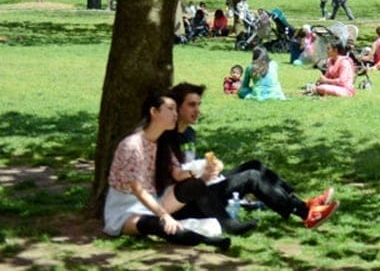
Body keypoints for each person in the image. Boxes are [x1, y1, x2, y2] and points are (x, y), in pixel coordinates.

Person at [168, 83, 338, 230]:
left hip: (202, 185)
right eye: (191, 105)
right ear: (177, 107)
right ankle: (306, 213)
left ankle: (304, 203)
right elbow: (175, 178)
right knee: (251, 178)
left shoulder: (189, 133)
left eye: (199, 104)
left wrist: (211, 167)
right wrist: (203, 171)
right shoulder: (168, 138)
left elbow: (192, 164)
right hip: (189, 201)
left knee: (255, 165)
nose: (197, 110)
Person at [102, 93, 232, 250]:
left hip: (155, 198)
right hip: (125, 209)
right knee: (159, 224)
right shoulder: (131, 145)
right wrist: (164, 215)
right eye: (170, 109)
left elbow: (177, 174)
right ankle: (207, 241)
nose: (175, 114)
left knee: (195, 185)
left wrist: (200, 168)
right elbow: (137, 190)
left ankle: (229, 224)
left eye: (176, 110)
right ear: (154, 112)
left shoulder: (162, 143)